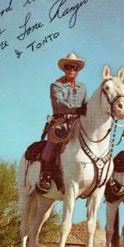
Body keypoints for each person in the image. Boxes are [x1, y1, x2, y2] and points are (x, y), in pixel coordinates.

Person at [38, 52, 87, 192]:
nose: (72, 70)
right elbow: (58, 103)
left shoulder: (82, 87)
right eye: (69, 67)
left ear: (77, 71)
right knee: (55, 138)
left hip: (78, 122)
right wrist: (78, 110)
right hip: (60, 121)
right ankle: (45, 174)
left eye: (75, 68)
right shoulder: (56, 85)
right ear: (64, 69)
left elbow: (87, 104)